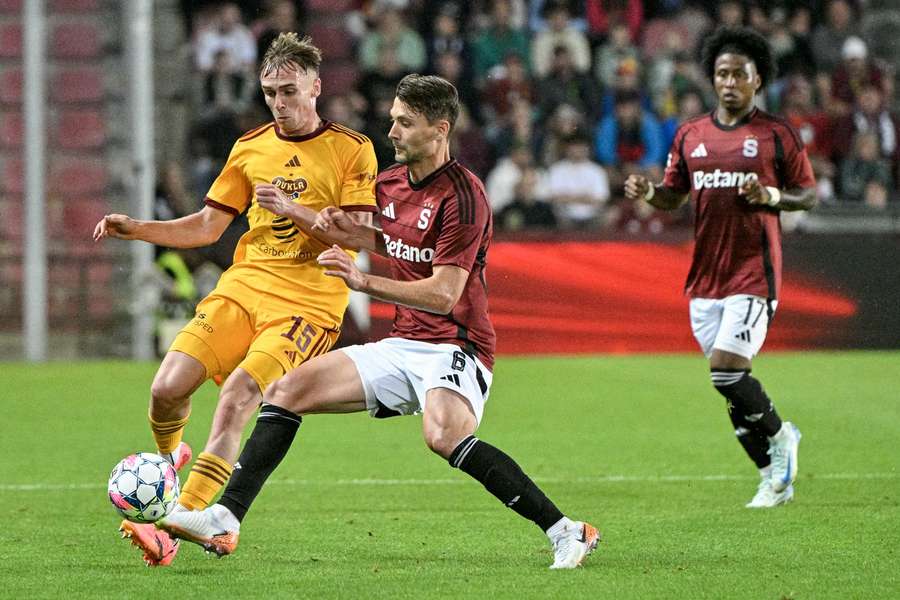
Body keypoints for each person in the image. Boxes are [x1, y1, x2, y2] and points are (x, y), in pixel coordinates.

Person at [157, 74, 601, 570]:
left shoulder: (465, 196)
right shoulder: (389, 183)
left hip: (457, 345)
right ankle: (226, 517)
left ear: (440, 130)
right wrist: (320, 220)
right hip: (403, 343)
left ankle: (567, 531)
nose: (391, 132)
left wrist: (362, 283)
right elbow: (388, 241)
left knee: (443, 437)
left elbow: (443, 292)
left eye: (405, 123)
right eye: (392, 119)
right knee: (285, 391)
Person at [93, 33, 378, 565]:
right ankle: (167, 459)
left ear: (316, 87)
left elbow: (360, 236)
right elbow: (206, 227)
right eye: (270, 92)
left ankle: (174, 527)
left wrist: (292, 211)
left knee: (240, 397)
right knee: (166, 387)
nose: (279, 103)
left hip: (308, 302)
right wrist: (136, 229)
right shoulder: (250, 148)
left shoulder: (351, 148)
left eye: (289, 91)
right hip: (245, 285)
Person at [624, 27, 816, 509]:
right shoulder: (691, 134)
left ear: (757, 81)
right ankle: (774, 478)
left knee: (727, 372)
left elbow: (808, 194)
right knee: (730, 391)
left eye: (739, 74)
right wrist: (648, 193)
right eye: (721, 74)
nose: (729, 82)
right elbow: (674, 195)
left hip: (754, 272)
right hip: (705, 277)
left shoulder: (776, 134)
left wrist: (770, 196)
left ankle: (782, 436)